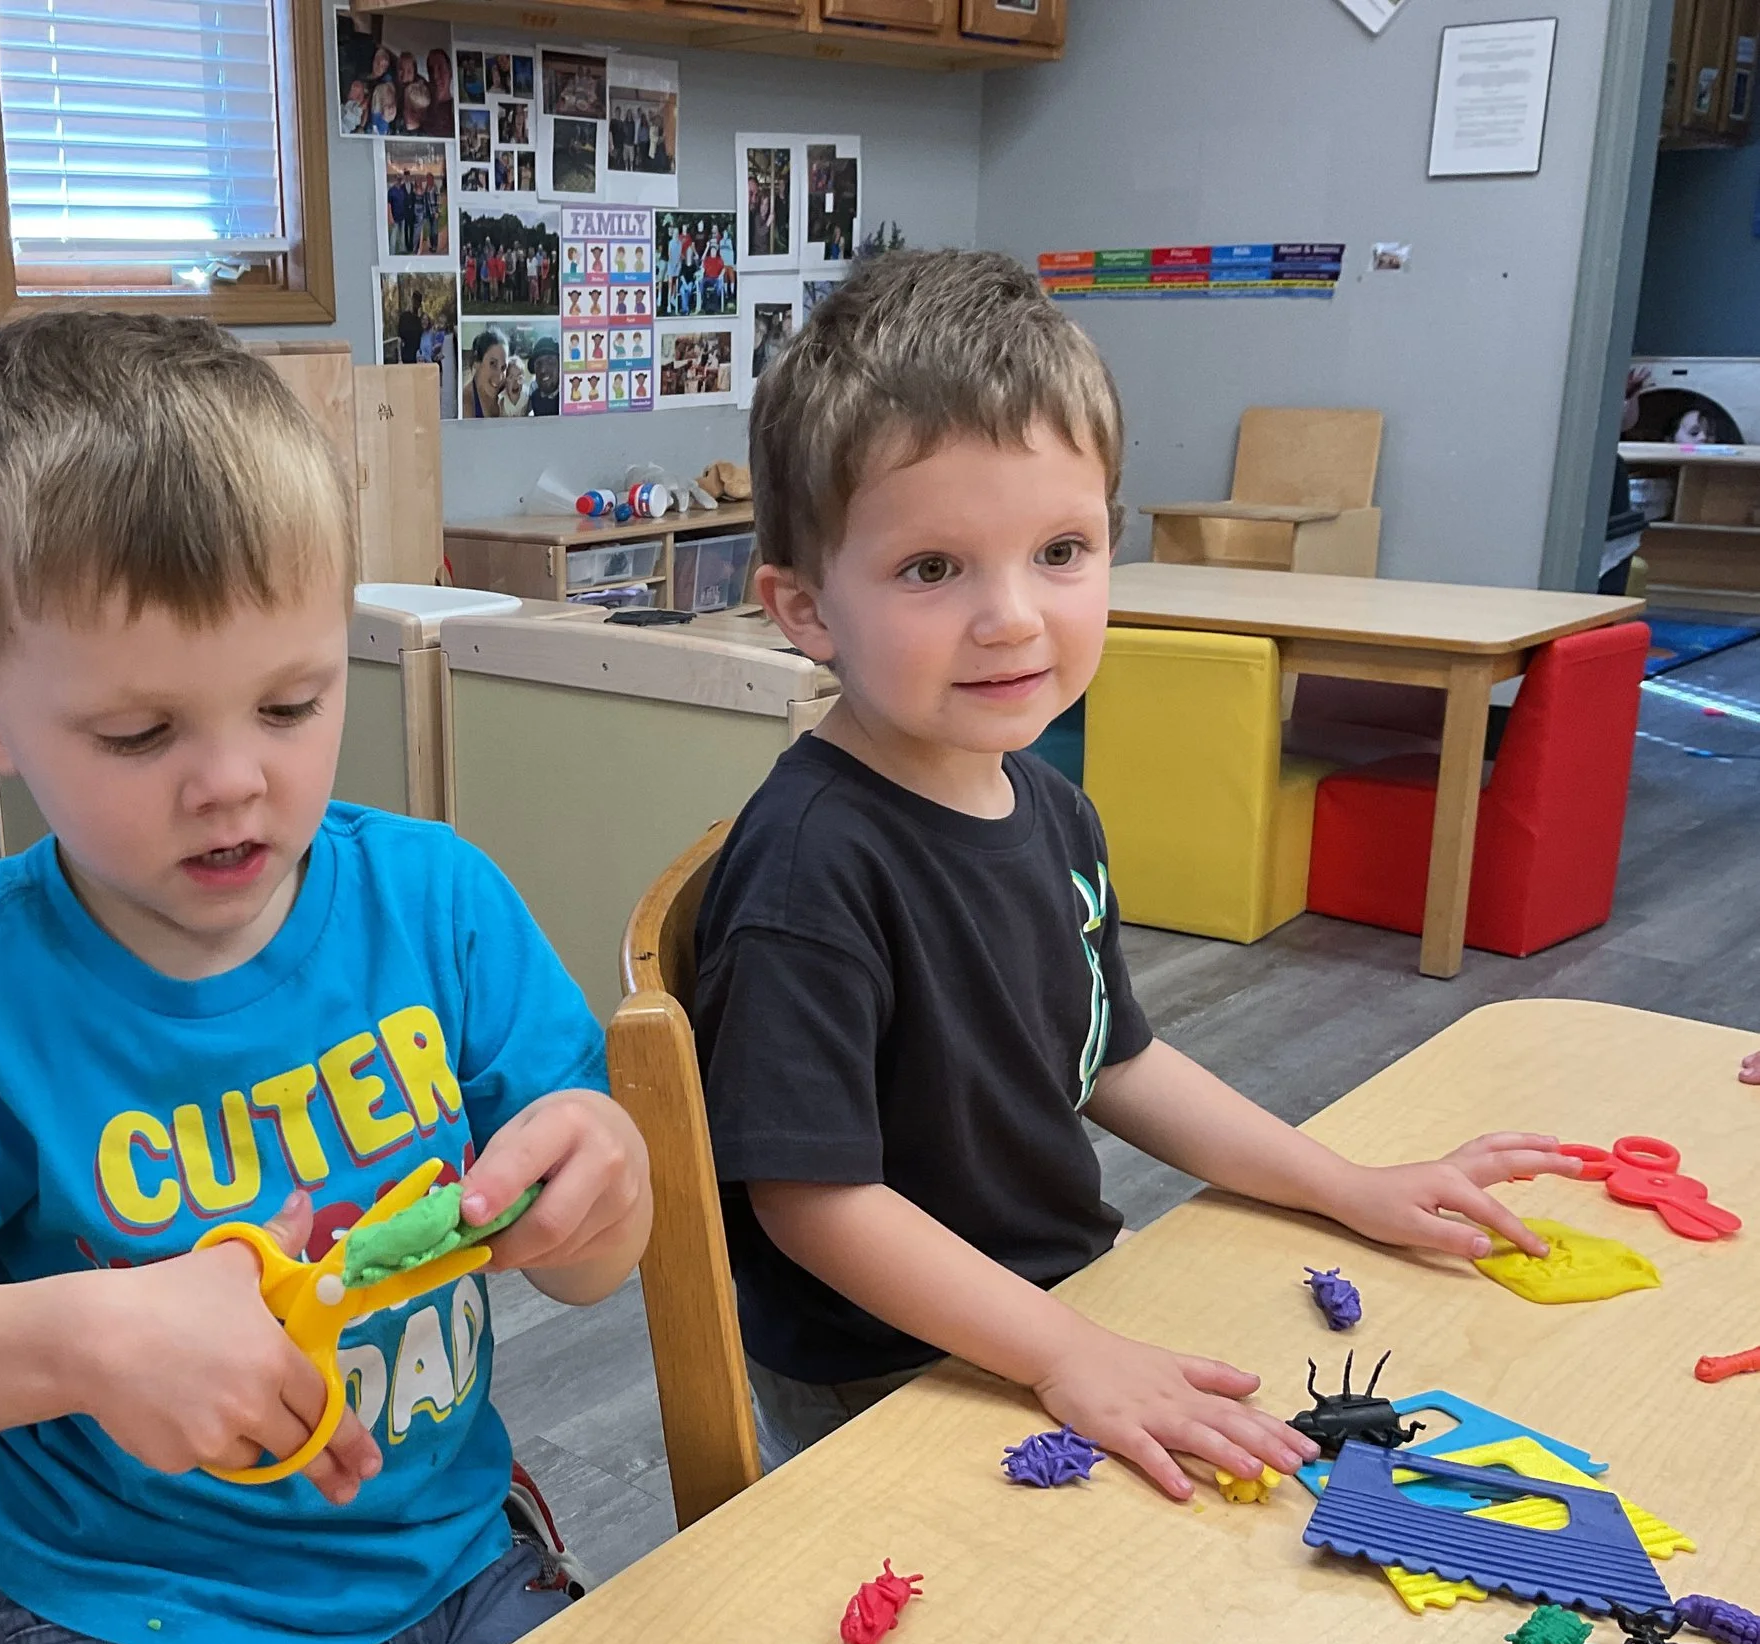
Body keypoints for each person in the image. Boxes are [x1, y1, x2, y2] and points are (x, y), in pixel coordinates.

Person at [0, 313, 651, 1644]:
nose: (235, 779)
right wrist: (90, 1334)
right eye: (139, 731)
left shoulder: (438, 905)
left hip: (453, 1560)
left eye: (293, 702)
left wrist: (603, 1177)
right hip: (130, 1633)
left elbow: (592, 1264)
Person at [700, 249, 1579, 1490]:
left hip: (1059, 1306)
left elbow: (1115, 1058)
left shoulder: (1050, 807)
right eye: (932, 569)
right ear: (804, 610)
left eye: (1060, 550)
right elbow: (811, 1202)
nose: (1013, 617)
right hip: (891, 1372)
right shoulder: (810, 870)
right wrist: (1068, 1353)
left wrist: (1343, 1186)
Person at [462, 329, 508, 418]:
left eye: (503, 367)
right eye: (492, 363)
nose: (499, 377)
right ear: (477, 363)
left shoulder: (506, 391)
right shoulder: (465, 404)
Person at [526, 336, 562, 416]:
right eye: (538, 364)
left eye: (550, 361)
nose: (543, 370)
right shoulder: (534, 398)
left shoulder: (568, 397)